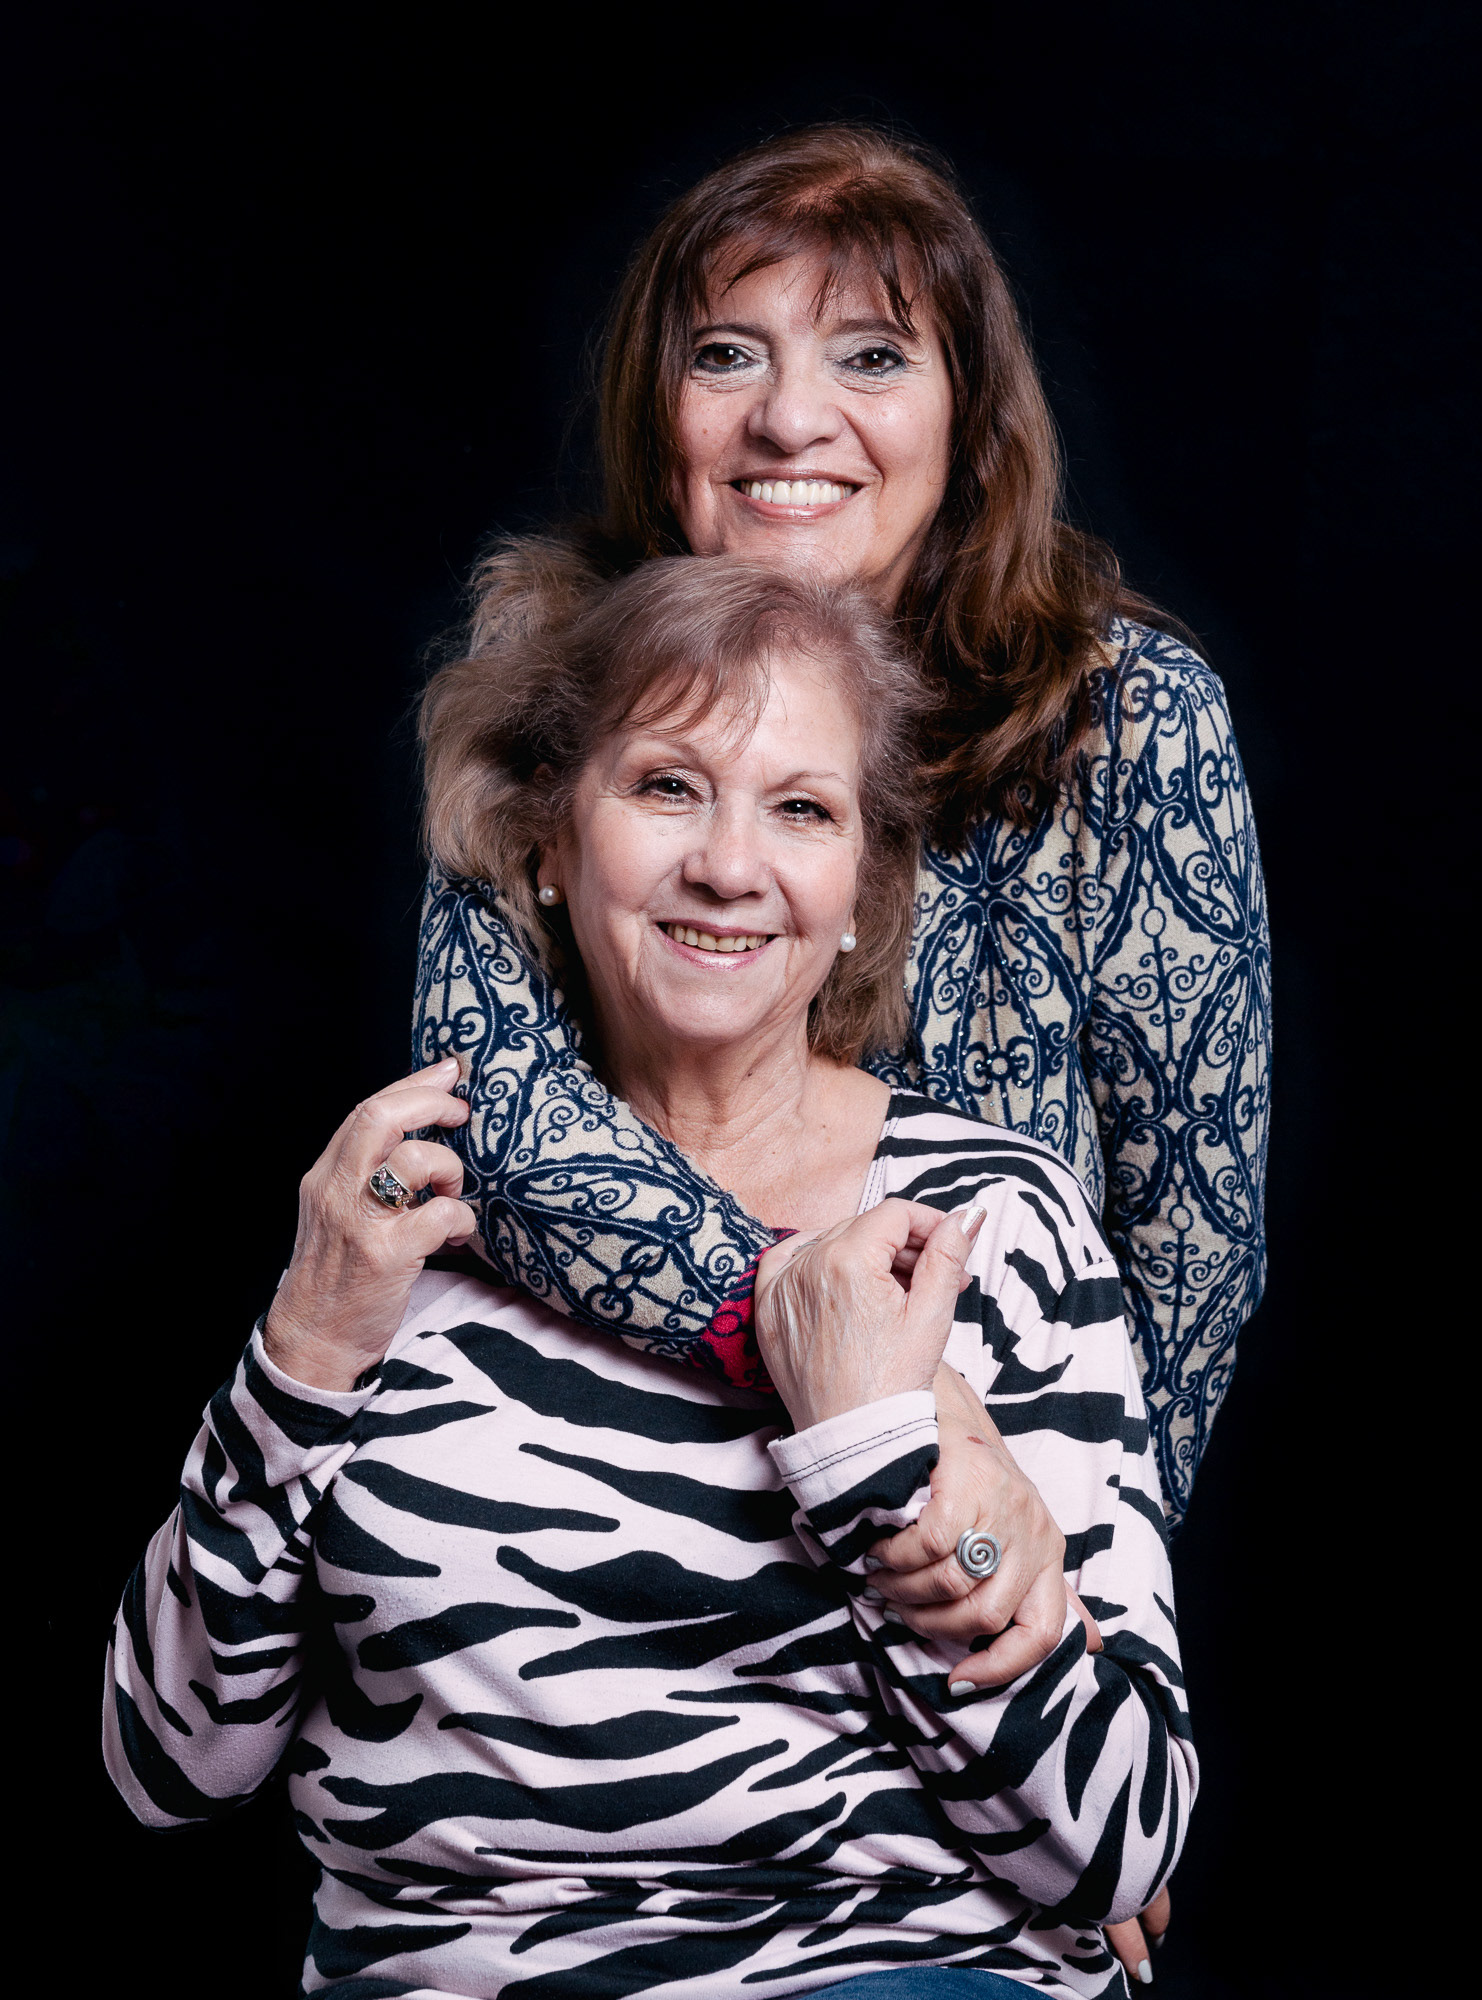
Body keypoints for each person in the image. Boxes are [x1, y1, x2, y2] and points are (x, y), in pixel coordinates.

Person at [106, 561, 1194, 1997]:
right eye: (670, 787)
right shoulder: (398, 1209)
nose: (729, 865)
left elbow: (1119, 1843)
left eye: (799, 809)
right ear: (551, 838)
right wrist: (305, 1346)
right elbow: (168, 1767)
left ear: (863, 889)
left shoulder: (990, 1223)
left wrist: (878, 1459)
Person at [413, 124, 1270, 1546]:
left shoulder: (1129, 716)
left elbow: (1195, 1246)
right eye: (727, 354)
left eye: (871, 355)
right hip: (590, 1516)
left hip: (998, 1523)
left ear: (968, 414)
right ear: (656, 407)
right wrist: (889, 1400)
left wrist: (1051, 1564)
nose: (791, 421)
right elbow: (502, 1124)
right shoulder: (551, 675)